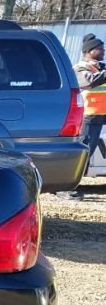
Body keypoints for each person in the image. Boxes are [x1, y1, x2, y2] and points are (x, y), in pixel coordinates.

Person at [63, 33, 106, 199]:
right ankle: (65, 188)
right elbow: (90, 81)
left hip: (99, 116)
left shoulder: (100, 67)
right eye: (99, 49)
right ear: (89, 51)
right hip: (88, 117)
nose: (103, 51)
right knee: (82, 154)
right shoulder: (80, 68)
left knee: (87, 154)